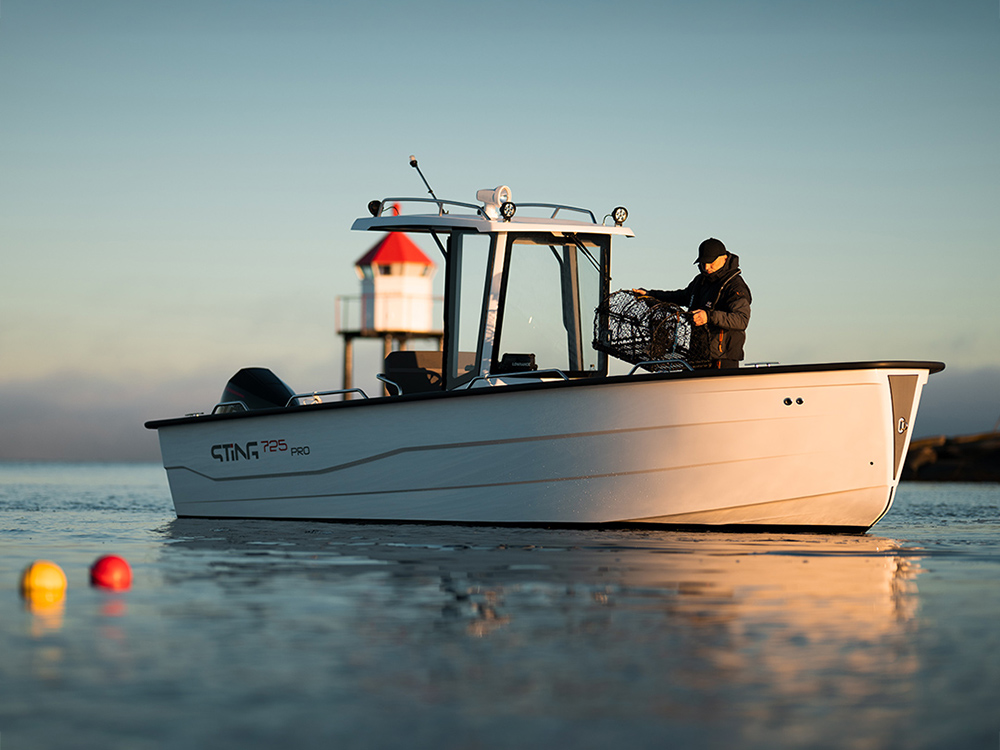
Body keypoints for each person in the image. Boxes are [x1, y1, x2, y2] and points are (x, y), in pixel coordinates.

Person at [633, 238, 751, 369]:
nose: (706, 267)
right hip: (697, 355)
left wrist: (708, 316)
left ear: (723, 258)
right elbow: (681, 296)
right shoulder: (700, 281)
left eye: (711, 262)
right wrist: (651, 295)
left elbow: (741, 319)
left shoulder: (735, 286)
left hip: (722, 360)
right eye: (703, 263)